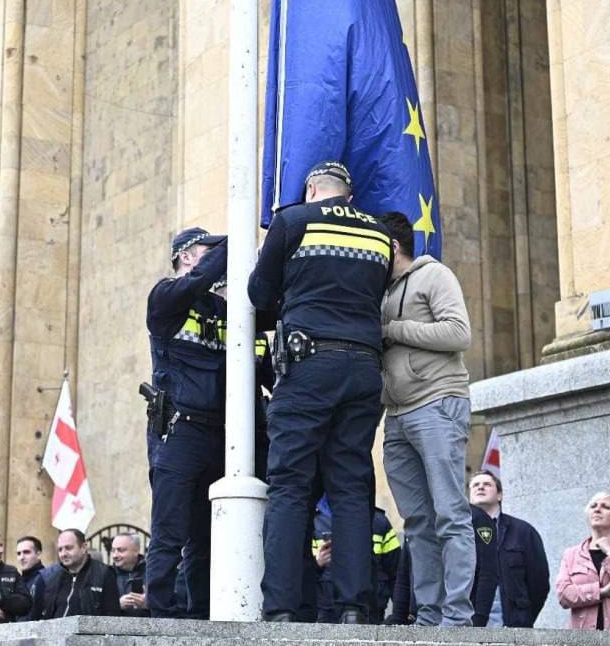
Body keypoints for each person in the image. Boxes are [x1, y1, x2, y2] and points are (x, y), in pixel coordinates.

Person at [248, 160, 391, 624]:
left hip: (308, 364)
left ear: (312, 189)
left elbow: (258, 293)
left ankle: (283, 609)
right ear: (348, 195)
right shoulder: (377, 232)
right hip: (365, 366)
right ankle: (353, 605)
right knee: (351, 488)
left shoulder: (292, 221)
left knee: (289, 484)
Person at [376, 211, 476, 627]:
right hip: (397, 417)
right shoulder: (380, 292)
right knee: (417, 523)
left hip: (437, 404)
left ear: (393, 247)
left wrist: (396, 329)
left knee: (450, 515)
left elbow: (459, 333)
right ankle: (430, 615)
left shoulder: (435, 276)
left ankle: (457, 617)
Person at [143, 225, 228, 618]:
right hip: (178, 431)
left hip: (217, 433)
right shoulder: (165, 297)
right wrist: (240, 239)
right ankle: (159, 613)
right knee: (169, 530)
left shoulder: (222, 309)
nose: (215, 257)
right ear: (188, 255)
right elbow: (204, 277)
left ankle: (200, 614)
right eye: (208, 250)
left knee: (204, 537)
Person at [467, 470, 550, 628]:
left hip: (512, 624)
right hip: (470, 623)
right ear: (470, 498)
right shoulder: (460, 534)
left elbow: (539, 581)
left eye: (487, 484)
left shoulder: (523, 531)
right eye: (475, 485)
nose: (481, 487)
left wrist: (523, 615)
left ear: (500, 495)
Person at [555, 491, 610, 631]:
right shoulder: (571, 554)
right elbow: (564, 595)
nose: (597, 509)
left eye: (605, 507)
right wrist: (600, 592)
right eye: (593, 506)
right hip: (583, 637)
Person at [311, 497, 401, 623]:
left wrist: (399, 614)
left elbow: (396, 573)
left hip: (371, 608)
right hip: (326, 611)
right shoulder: (315, 522)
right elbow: (301, 577)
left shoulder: (379, 521)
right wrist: (317, 563)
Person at [37, 529, 122, 619]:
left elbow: (112, 616)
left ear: (83, 548)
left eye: (68, 548)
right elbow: (42, 616)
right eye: (60, 549)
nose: (63, 554)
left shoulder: (104, 574)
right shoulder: (51, 577)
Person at [110, 533, 148, 617]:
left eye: (121, 550)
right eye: (113, 550)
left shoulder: (152, 573)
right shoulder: (107, 574)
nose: (115, 555)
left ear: (136, 551)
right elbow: (95, 608)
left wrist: (149, 603)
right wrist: (116, 605)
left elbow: (168, 603)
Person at [13, 536, 45, 622]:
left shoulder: (46, 579)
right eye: (18, 553)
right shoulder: (17, 582)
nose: (21, 557)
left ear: (38, 554)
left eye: (26, 552)